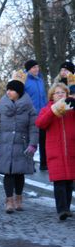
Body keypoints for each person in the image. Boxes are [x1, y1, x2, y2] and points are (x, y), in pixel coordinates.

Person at [0, 72, 38, 213]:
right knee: (7, 173)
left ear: (19, 92)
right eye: (7, 89)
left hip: (21, 145)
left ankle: (19, 198)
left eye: (12, 90)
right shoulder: (1, 105)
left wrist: (33, 144)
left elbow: (34, 127)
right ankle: (9, 200)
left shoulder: (29, 107)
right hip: (5, 144)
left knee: (19, 174)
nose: (8, 92)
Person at [35, 82, 75, 220]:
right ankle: (61, 210)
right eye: (57, 93)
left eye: (63, 92)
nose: (60, 95)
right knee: (59, 182)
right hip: (55, 151)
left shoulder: (71, 108)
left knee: (69, 182)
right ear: (52, 95)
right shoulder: (47, 109)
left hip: (71, 150)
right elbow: (40, 123)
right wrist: (53, 110)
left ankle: (67, 208)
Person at [24, 59, 48, 170]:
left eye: (37, 67)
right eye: (34, 67)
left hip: (42, 115)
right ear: (28, 69)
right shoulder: (24, 80)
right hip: (30, 115)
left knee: (44, 140)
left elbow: (43, 98)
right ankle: (29, 164)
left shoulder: (40, 80)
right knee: (31, 140)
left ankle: (44, 163)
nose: (37, 69)